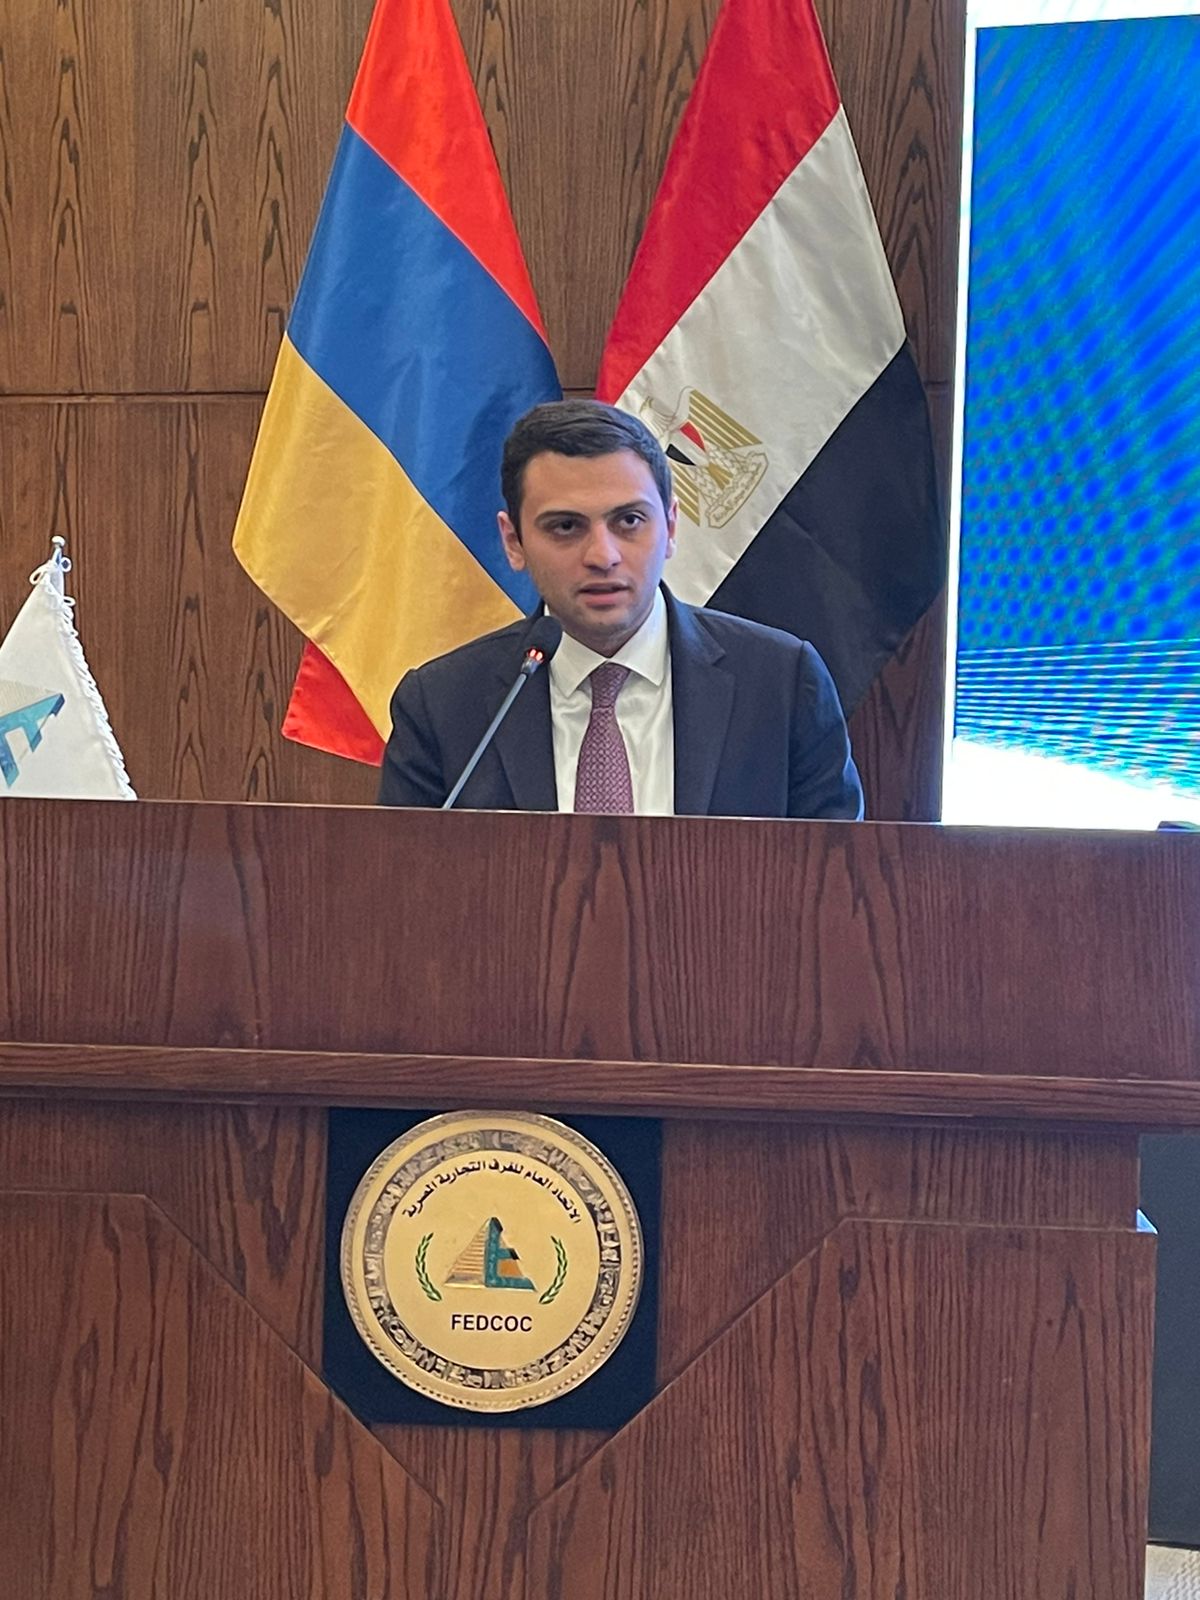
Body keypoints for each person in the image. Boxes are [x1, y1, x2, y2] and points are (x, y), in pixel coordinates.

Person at [378, 399, 863, 818]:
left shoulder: (781, 685)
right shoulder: (442, 706)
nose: (602, 555)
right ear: (514, 541)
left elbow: (833, 880)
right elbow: (408, 882)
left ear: (670, 527)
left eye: (629, 521)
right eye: (566, 527)